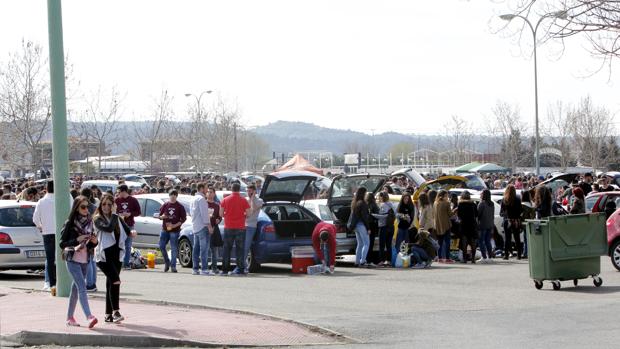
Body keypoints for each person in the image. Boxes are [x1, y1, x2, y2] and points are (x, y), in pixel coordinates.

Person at [94, 194, 135, 324]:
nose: (106, 207)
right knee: (116, 281)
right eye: (104, 204)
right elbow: (108, 228)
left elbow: (128, 230)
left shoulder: (116, 218)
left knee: (110, 284)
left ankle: (108, 314)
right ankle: (116, 312)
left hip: (117, 254)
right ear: (100, 205)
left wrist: (132, 233)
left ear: (113, 206)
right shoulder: (97, 218)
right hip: (103, 256)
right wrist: (114, 215)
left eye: (109, 205)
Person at [59, 196, 99, 328]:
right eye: (83, 207)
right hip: (72, 259)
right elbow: (62, 244)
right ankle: (89, 316)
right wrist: (77, 240)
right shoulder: (70, 223)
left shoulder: (90, 222)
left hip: (85, 259)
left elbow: (91, 244)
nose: (86, 209)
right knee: (82, 286)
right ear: (76, 208)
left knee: (75, 290)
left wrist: (94, 242)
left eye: (87, 207)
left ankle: (69, 318)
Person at [32, 180, 57, 292]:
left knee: (50, 259)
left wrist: (41, 226)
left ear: (46, 188)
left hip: (47, 232)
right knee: (64, 258)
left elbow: (35, 219)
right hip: (62, 232)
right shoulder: (66, 198)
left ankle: (52, 284)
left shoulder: (42, 201)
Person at [220, 182, 250, 276]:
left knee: (226, 249)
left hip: (228, 226)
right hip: (240, 227)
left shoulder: (225, 200)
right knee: (240, 249)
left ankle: (225, 270)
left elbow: (221, 214)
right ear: (239, 189)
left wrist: (227, 215)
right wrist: (243, 216)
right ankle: (240, 269)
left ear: (231, 189)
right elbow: (248, 213)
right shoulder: (243, 200)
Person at [158, 190, 187, 273]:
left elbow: (183, 219)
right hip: (165, 229)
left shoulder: (180, 206)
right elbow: (160, 215)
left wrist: (175, 225)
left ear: (176, 196)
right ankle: (167, 262)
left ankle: (173, 266)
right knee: (161, 246)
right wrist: (162, 217)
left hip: (175, 230)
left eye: (174, 195)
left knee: (174, 248)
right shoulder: (165, 205)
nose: (173, 196)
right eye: (171, 195)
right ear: (169, 196)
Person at [114, 185, 141, 270]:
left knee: (128, 245)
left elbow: (138, 212)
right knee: (117, 245)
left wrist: (130, 214)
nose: (118, 194)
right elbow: (113, 212)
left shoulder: (133, 200)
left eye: (119, 192)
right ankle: (117, 263)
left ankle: (126, 264)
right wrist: (119, 215)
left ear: (124, 191)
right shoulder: (117, 200)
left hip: (129, 225)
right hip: (118, 225)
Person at [190, 183, 212, 275]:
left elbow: (192, 213)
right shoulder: (201, 199)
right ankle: (204, 268)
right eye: (206, 188)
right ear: (201, 188)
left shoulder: (193, 198)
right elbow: (204, 215)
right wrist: (209, 226)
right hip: (202, 226)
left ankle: (195, 268)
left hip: (195, 226)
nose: (207, 190)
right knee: (204, 249)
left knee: (196, 248)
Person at [81, 188, 98, 293]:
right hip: (94, 233)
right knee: (92, 260)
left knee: (88, 261)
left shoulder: (85, 207)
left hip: (87, 234)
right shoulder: (94, 207)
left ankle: (90, 284)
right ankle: (92, 282)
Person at [244, 184, 264, 273]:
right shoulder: (244, 199)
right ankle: (241, 265)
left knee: (246, 246)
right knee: (242, 246)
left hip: (251, 225)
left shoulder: (259, 201)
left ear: (254, 191)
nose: (248, 193)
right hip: (242, 225)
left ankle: (243, 266)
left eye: (250, 191)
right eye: (247, 191)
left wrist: (252, 199)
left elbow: (252, 210)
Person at [350, 187, 371, 267]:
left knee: (360, 244)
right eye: (365, 193)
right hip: (362, 225)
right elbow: (364, 217)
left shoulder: (354, 203)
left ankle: (357, 261)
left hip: (356, 226)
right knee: (366, 243)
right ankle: (362, 261)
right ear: (363, 194)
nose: (366, 195)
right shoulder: (363, 203)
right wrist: (368, 228)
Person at [501, 185, 523, 260]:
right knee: (517, 238)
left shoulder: (504, 200)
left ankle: (506, 254)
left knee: (507, 239)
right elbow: (521, 210)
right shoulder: (517, 199)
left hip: (507, 220)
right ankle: (519, 255)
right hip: (516, 220)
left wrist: (506, 214)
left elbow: (501, 212)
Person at [374, 192, 395, 266]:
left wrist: (373, 215)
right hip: (391, 227)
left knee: (382, 245)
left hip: (383, 227)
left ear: (382, 197)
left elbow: (383, 216)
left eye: (379, 197)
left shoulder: (383, 205)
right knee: (389, 245)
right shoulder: (391, 204)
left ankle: (382, 260)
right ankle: (389, 261)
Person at [457, 191, 478, 263]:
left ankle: (465, 259)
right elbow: (476, 215)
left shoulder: (460, 204)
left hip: (464, 225)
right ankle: (473, 259)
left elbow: (459, 215)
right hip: (472, 224)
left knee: (464, 242)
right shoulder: (473, 204)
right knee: (473, 243)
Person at [206, 186, 222, 274]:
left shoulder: (216, 205)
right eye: (208, 192)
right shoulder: (204, 203)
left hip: (214, 229)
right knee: (205, 249)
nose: (209, 193)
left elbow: (220, 217)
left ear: (214, 194)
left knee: (214, 250)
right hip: (205, 229)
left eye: (211, 192)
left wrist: (218, 220)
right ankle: (205, 267)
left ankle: (214, 267)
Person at [434, 190, 453, 263]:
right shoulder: (446, 203)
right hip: (446, 225)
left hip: (438, 225)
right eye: (447, 196)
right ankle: (447, 258)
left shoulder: (435, 203)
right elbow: (450, 214)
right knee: (447, 242)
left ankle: (440, 258)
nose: (447, 197)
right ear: (443, 196)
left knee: (440, 242)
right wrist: (455, 209)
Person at [477, 189, 495, 262]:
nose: (480, 195)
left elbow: (478, 214)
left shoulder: (482, 203)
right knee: (488, 241)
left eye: (481, 194)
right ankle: (490, 257)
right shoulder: (492, 203)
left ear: (483, 195)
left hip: (482, 224)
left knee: (481, 241)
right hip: (490, 224)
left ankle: (484, 257)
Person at [365, 192, 380, 265]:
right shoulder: (374, 205)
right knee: (370, 243)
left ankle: (365, 259)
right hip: (372, 225)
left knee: (366, 243)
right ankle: (369, 260)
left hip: (366, 225)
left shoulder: (365, 205)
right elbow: (377, 215)